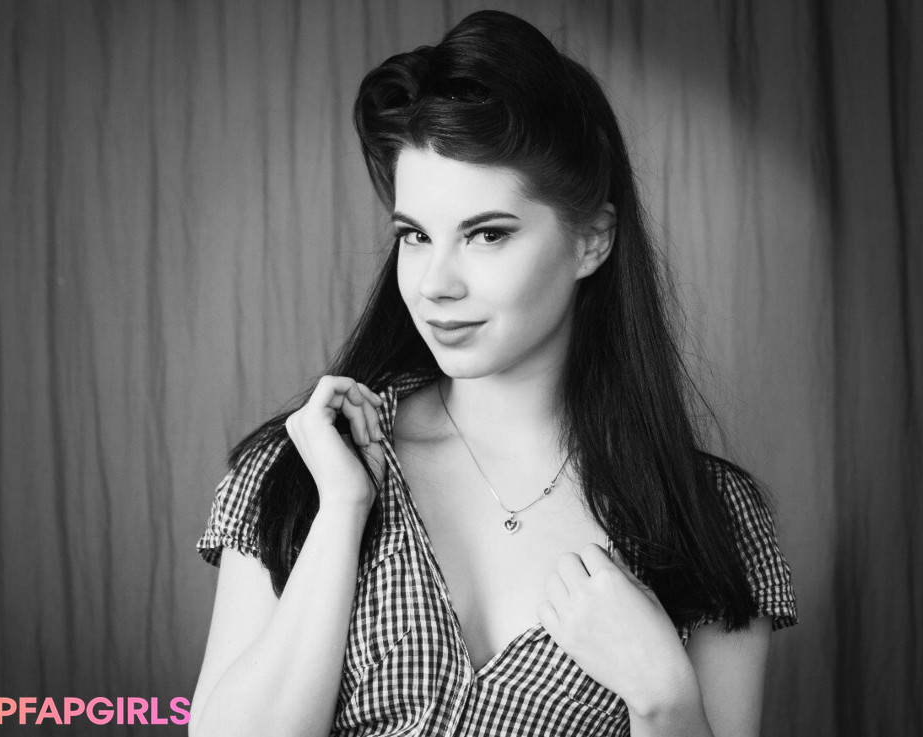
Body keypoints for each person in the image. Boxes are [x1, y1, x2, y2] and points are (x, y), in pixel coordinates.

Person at [188, 9, 797, 737]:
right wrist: (341, 513)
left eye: (486, 234)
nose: (435, 284)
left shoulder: (712, 518)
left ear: (592, 241)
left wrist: (665, 698)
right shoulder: (301, 470)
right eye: (416, 235)